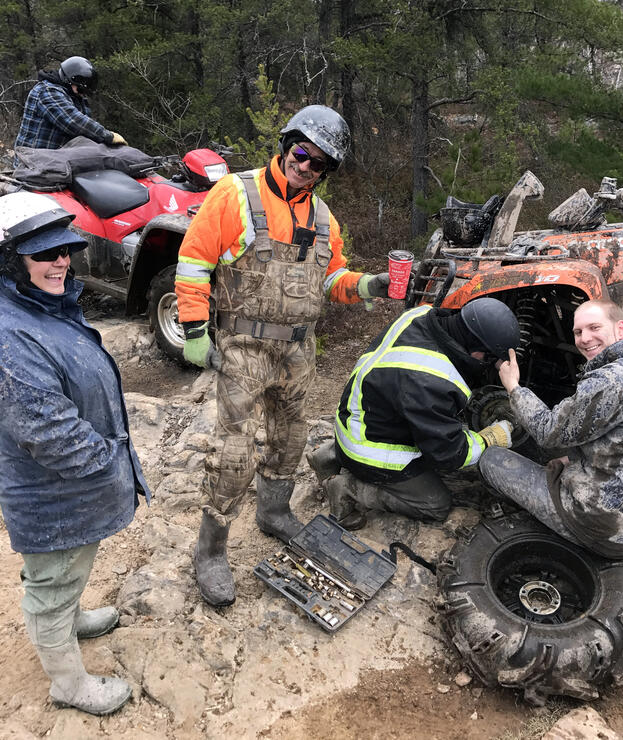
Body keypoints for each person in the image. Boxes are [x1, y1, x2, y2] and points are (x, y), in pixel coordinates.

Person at [175, 104, 391, 607]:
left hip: (298, 349)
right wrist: (192, 328)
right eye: (302, 153)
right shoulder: (233, 193)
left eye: (320, 164)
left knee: (291, 439)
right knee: (232, 452)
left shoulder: (322, 217)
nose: (307, 167)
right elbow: (193, 260)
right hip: (243, 346)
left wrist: (370, 284)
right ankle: (210, 551)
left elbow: (333, 279)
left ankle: (273, 513)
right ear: (286, 143)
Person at [0, 191, 150, 715]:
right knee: (50, 583)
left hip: (73, 493)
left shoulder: (39, 305)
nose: (61, 261)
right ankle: (68, 683)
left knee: (68, 567)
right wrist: (109, 459)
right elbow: (49, 432)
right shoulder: (10, 335)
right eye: (44, 254)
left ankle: (71, 617)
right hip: (53, 495)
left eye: (64, 250)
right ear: (10, 262)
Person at [479, 298, 623, 581]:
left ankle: (594, 547)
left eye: (594, 327)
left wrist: (513, 386)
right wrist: (573, 458)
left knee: (491, 458)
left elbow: (548, 431)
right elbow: (622, 444)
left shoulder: (609, 381)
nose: (585, 339)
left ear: (620, 329)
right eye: (578, 332)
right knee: (560, 461)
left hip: (599, 525)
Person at [307, 298, 520, 528]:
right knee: (436, 505)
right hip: (369, 450)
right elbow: (450, 454)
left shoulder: (420, 315)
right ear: (477, 350)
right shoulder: (431, 381)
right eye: (488, 359)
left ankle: (330, 455)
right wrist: (489, 438)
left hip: (355, 417)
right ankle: (348, 489)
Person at [15, 56, 126, 151]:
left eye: (86, 92)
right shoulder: (47, 91)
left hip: (56, 161)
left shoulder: (75, 96)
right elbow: (73, 121)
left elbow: (87, 132)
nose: (83, 95)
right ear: (69, 80)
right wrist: (108, 136)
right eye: (81, 90)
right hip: (32, 163)